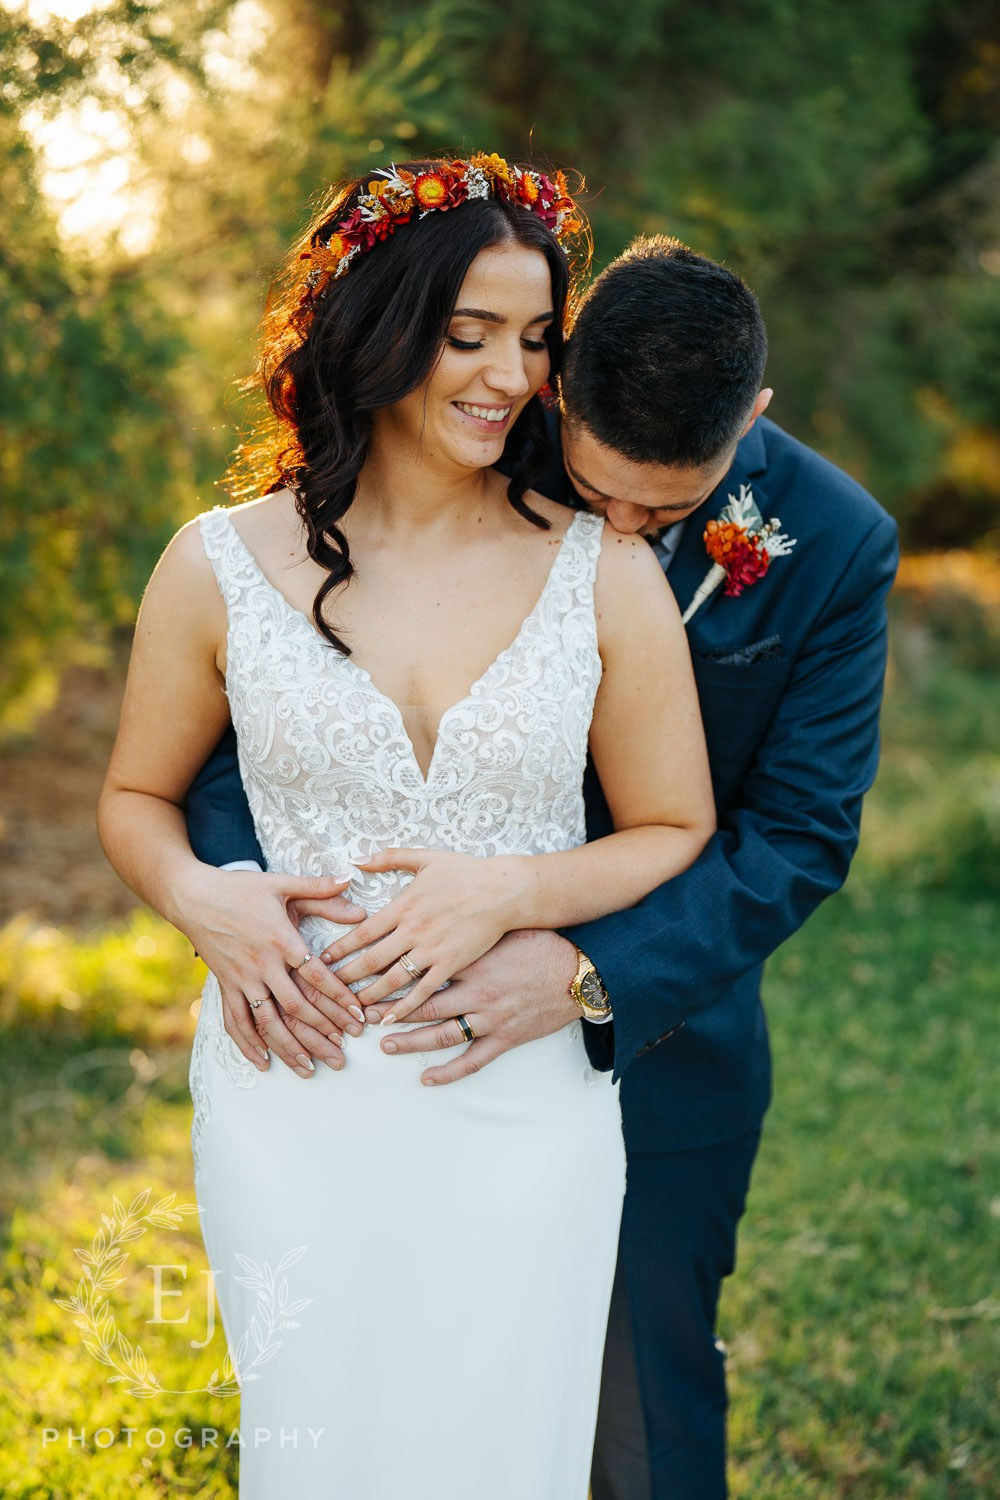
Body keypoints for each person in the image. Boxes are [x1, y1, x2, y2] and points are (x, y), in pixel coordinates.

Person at [180, 234, 899, 1499]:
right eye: (595, 487)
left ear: (757, 419)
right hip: (364, 1036)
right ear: (557, 383)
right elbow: (266, 696)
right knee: (375, 1393)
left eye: (664, 515)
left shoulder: (836, 544)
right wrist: (242, 898)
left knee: (636, 1424)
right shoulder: (454, 443)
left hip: (658, 1041)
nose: (618, 531)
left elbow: (793, 837)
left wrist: (580, 970)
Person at [97, 157, 717, 1500]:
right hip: (293, 1089)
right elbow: (136, 799)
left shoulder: (600, 570)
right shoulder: (214, 564)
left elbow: (674, 825)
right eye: (468, 333)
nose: (510, 374)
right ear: (376, 325)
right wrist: (205, 899)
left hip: (520, 1088)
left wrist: (516, 893)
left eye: (538, 340)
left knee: (510, 1445)